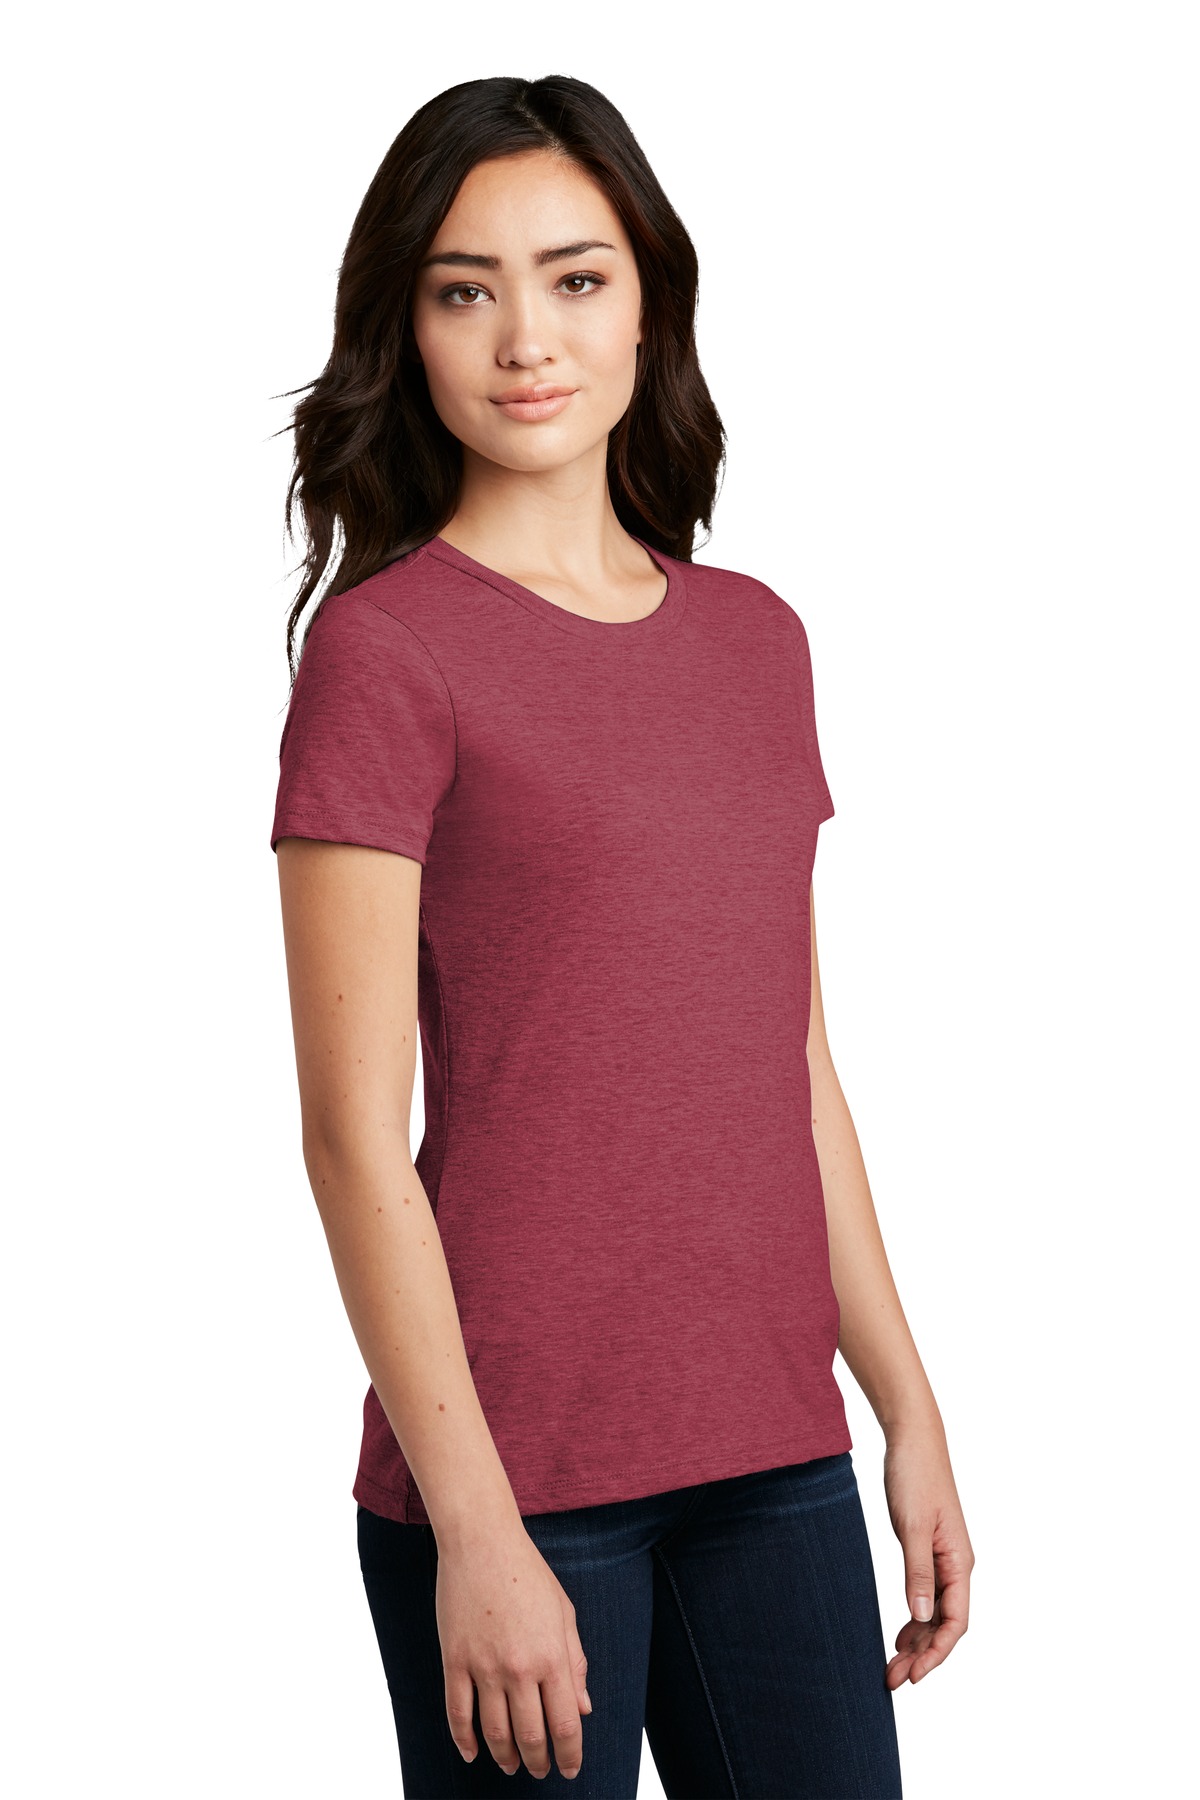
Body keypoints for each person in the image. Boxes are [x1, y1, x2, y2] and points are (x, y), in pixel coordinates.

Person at [270, 74, 973, 1800]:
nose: (527, 339)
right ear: (407, 329)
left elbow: (791, 1064)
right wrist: (475, 1530)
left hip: (776, 1456)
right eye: (466, 290)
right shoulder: (387, 655)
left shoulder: (755, 641)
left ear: (647, 301)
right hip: (518, 1479)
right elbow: (352, 1138)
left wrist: (907, 1408)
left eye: (575, 279)